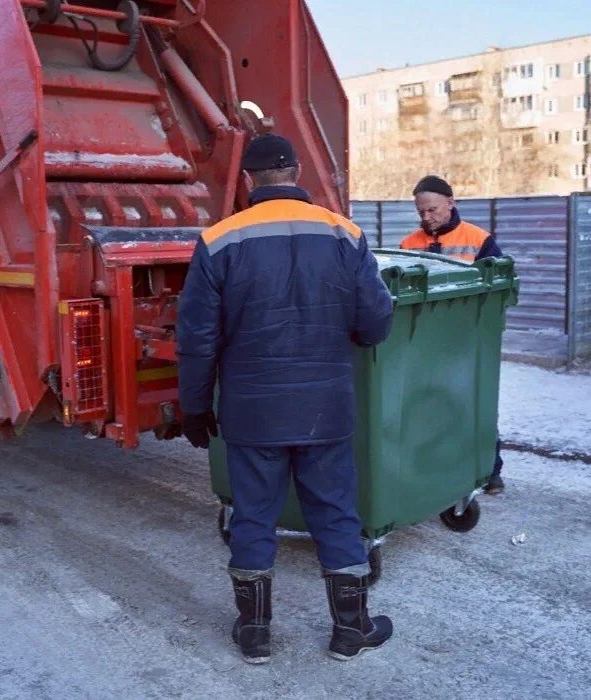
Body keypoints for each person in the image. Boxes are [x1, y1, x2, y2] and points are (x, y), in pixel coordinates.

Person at [176, 134, 395, 664]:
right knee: (336, 513)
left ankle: (254, 635)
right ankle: (351, 630)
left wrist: (195, 405)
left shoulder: (219, 240)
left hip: (253, 411)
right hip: (325, 407)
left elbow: (197, 338)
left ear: (248, 179)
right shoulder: (344, 233)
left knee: (253, 516)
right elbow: (376, 321)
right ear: (297, 171)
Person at [400, 175, 507, 494]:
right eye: (421, 212)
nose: (426, 217)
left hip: (466, 342)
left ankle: (490, 470)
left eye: (432, 210)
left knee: (475, 404)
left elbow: (498, 287)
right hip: (423, 344)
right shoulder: (408, 245)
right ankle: (434, 468)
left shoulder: (478, 239)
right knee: (427, 407)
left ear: (450, 203)